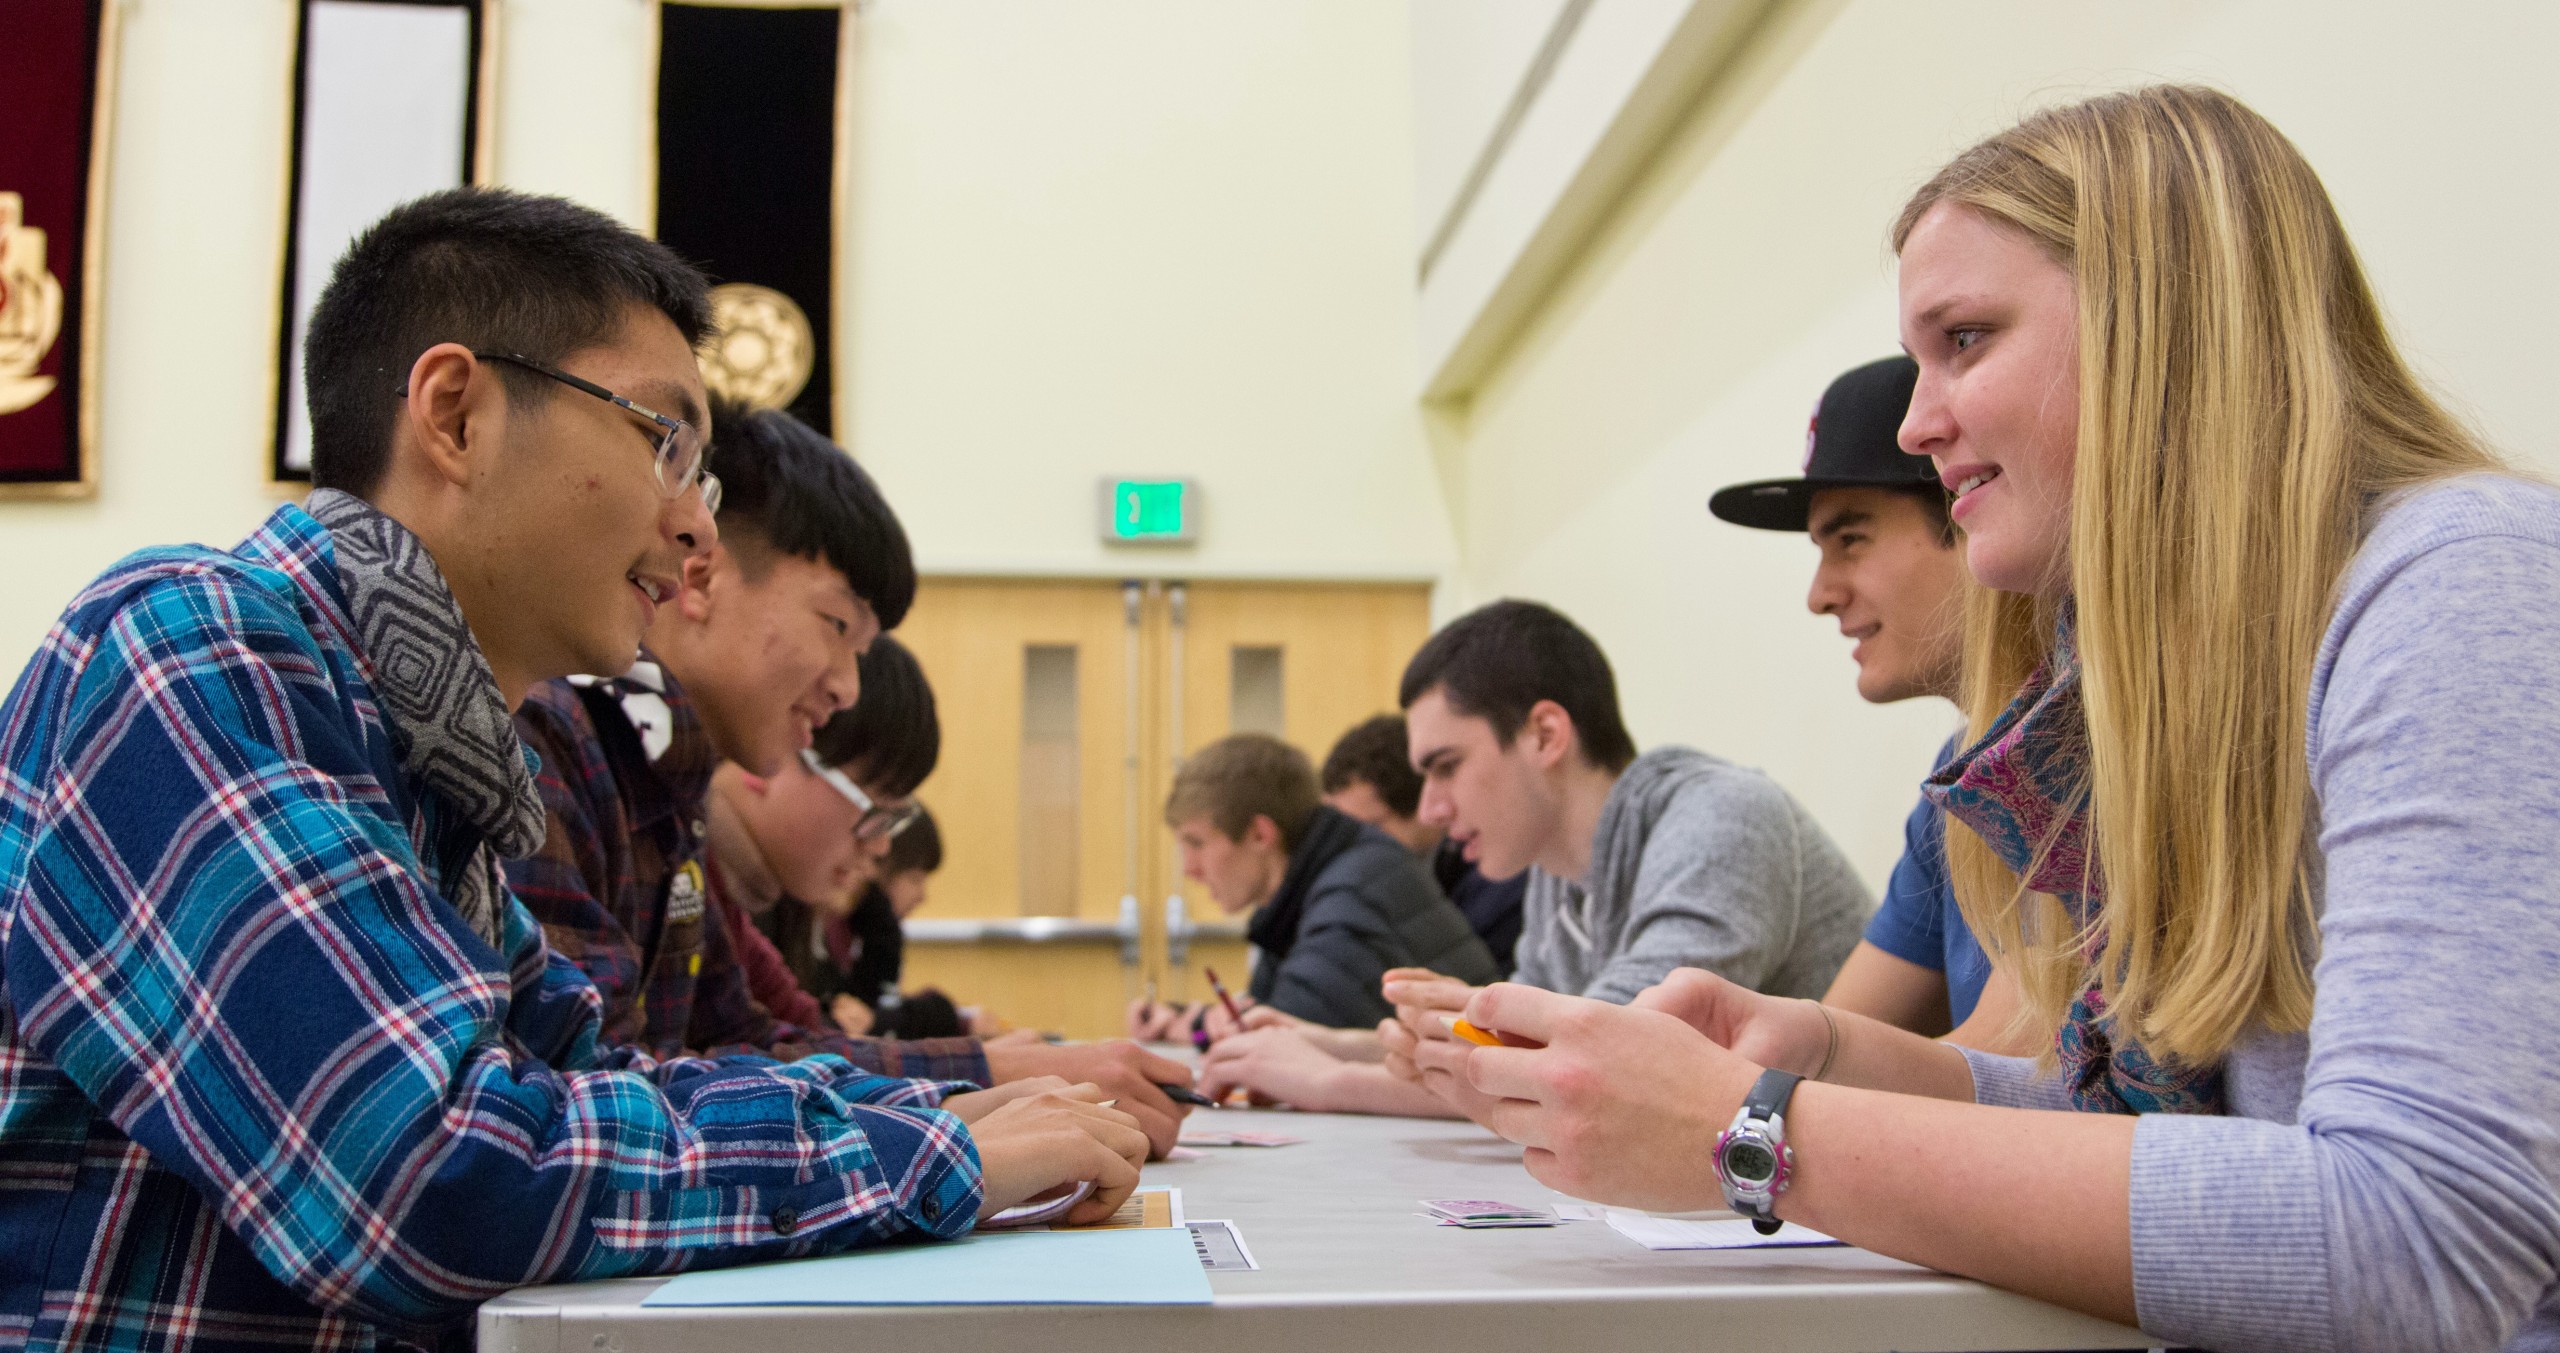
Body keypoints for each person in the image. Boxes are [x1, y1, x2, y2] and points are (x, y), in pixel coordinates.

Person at [1446, 86, 2560, 1353]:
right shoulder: (2166, 687)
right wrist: (1819, 1050)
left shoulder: (2470, 580)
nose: (1919, 425)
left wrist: (1758, 1131)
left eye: (1963, 339)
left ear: (2170, 331)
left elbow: (2417, 1241)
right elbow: (2151, 1138)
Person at [0, 189, 1144, 1350]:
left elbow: (595, 1077)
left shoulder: (436, 753)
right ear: (455, 415)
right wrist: (927, 1154)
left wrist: (939, 1108)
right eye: (664, 443)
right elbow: (429, 1178)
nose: (696, 527)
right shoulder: (194, 650)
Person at [509, 400, 1194, 1156]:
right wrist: (951, 1135)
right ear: (700, 576)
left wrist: (988, 1082)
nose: (846, 688)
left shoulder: (662, 781)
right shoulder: (552, 736)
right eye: (838, 627)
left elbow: (745, 1040)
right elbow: (596, 1106)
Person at [1206, 601, 1871, 1117]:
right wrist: (1326, 1039)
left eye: (1447, 767)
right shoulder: (1553, 872)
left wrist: (1331, 1079)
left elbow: (1602, 1064)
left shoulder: (1723, 813)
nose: (1432, 809)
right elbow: (1514, 1050)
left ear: (1545, 735)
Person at [1709, 355, 2013, 1043]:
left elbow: (2022, 1088)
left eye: (1851, 539)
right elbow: (1838, 1037)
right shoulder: (1961, 768)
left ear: (1972, 510)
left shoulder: (2097, 746)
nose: (1820, 595)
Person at [1126, 734, 1498, 1037]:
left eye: (1197, 843)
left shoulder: (1353, 891)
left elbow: (1278, 1043)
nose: (1189, 869)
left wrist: (1190, 1026)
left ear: (1259, 834)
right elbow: (1267, 1018)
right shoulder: (1307, 889)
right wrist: (1191, 1019)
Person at [700, 634, 942, 1037]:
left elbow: (805, 1045)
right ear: (778, 744)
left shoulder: (759, 896)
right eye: (873, 809)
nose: (881, 846)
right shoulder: (682, 867)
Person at [1321, 713, 1527, 975]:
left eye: (1370, 829)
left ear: (1418, 805)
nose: (1355, 851)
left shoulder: (1501, 880)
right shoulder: (1440, 873)